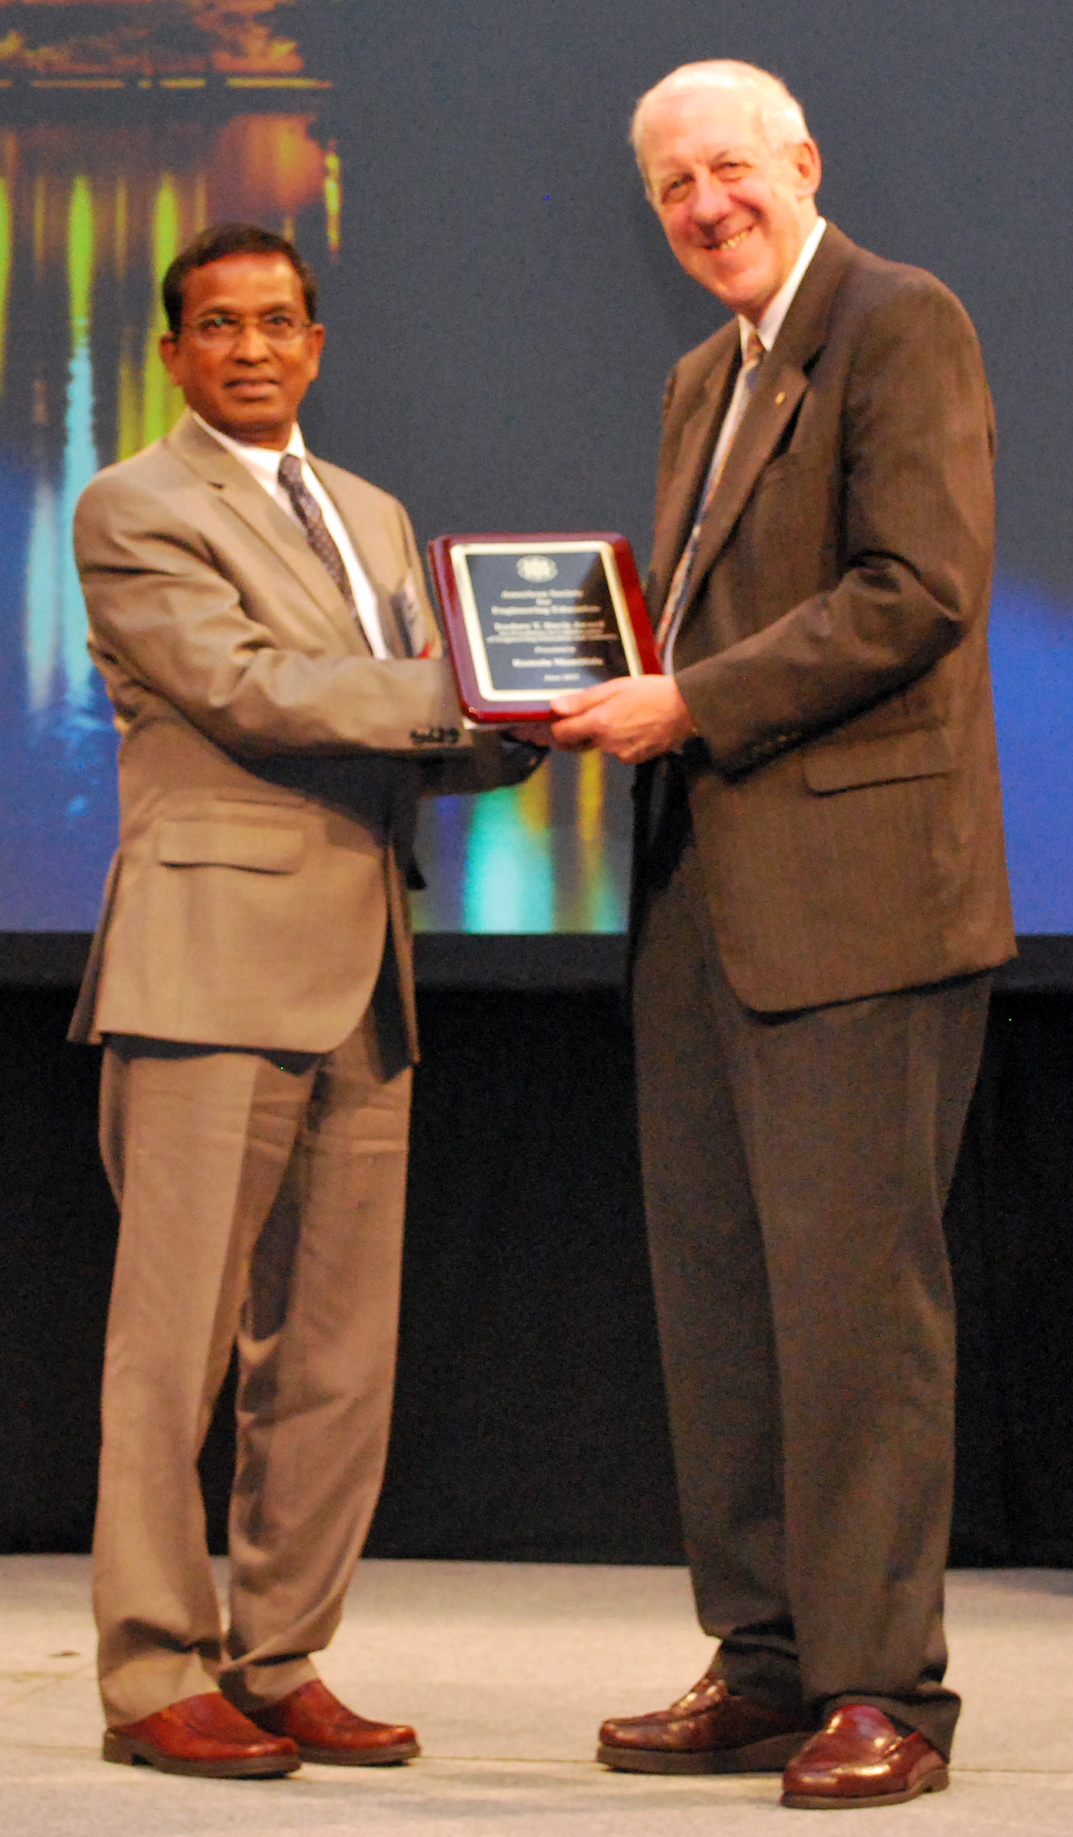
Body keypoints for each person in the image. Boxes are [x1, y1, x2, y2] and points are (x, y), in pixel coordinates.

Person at [550, 61, 1013, 1810]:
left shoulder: (900, 322)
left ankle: (881, 1687)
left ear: (800, 163)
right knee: (726, 1315)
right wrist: (584, 679)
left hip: (863, 909)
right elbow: (690, 613)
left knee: (854, 1320)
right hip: (701, 907)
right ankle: (763, 1661)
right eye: (671, 186)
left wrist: (689, 700)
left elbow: (919, 585)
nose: (702, 207)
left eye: (726, 170)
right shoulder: (699, 378)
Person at [70, 222, 541, 1779]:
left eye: (278, 322)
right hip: (208, 968)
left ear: (318, 341)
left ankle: (279, 1655)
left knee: (334, 1354)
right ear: (173, 352)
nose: (253, 349)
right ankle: (152, 1672)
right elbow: (250, 688)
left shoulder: (373, 511)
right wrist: (463, 689)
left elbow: (420, 703)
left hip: (364, 975)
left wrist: (532, 715)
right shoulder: (133, 504)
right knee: (176, 1347)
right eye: (219, 326)